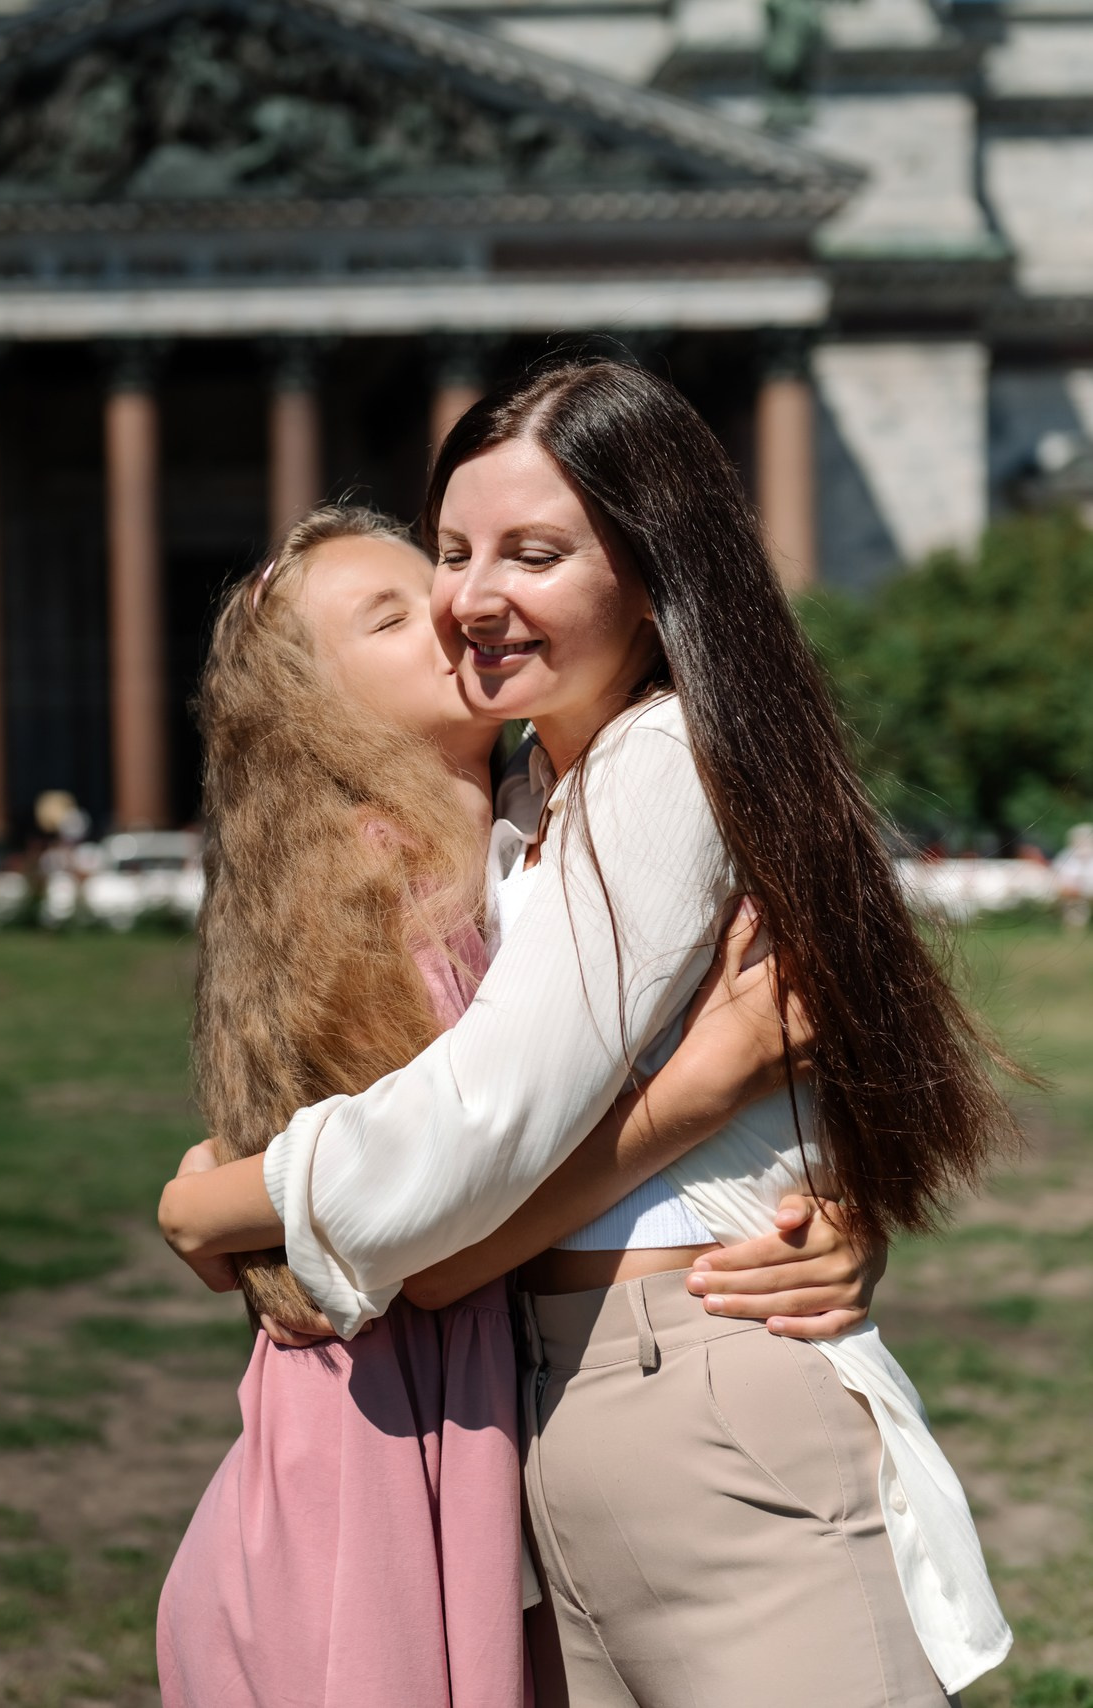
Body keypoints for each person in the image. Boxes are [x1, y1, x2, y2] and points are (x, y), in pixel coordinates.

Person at [163, 358, 1019, 1706]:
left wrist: (223, 1204)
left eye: (535, 552)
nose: (471, 599)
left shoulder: (654, 762)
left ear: (647, 568)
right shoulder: (522, 818)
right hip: (559, 1430)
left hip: (689, 1397)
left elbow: (477, 1138)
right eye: (451, 553)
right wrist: (717, 1106)